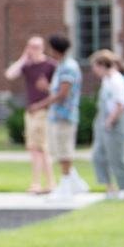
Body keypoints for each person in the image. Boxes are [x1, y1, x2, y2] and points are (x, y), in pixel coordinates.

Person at [5, 35, 57, 194]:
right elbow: (9, 75)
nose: (33, 50)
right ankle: (37, 183)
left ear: (43, 48)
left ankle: (49, 183)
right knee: (33, 148)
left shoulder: (50, 65)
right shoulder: (27, 66)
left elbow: (59, 92)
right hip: (31, 112)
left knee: (41, 148)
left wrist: (46, 87)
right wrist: (23, 57)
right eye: (30, 46)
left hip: (44, 111)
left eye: (36, 47)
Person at [43, 35, 89, 197]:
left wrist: (40, 104)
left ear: (55, 49)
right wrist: (47, 88)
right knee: (57, 151)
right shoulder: (62, 65)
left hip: (65, 115)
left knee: (64, 151)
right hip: (57, 115)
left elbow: (63, 93)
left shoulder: (68, 66)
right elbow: (59, 90)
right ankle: (76, 183)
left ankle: (66, 186)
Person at [89, 50, 124, 199]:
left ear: (103, 65)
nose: (93, 70)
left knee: (117, 157)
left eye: (95, 66)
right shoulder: (106, 80)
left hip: (116, 122)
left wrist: (110, 120)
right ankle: (109, 188)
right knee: (98, 155)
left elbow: (120, 104)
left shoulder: (117, 80)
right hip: (105, 121)